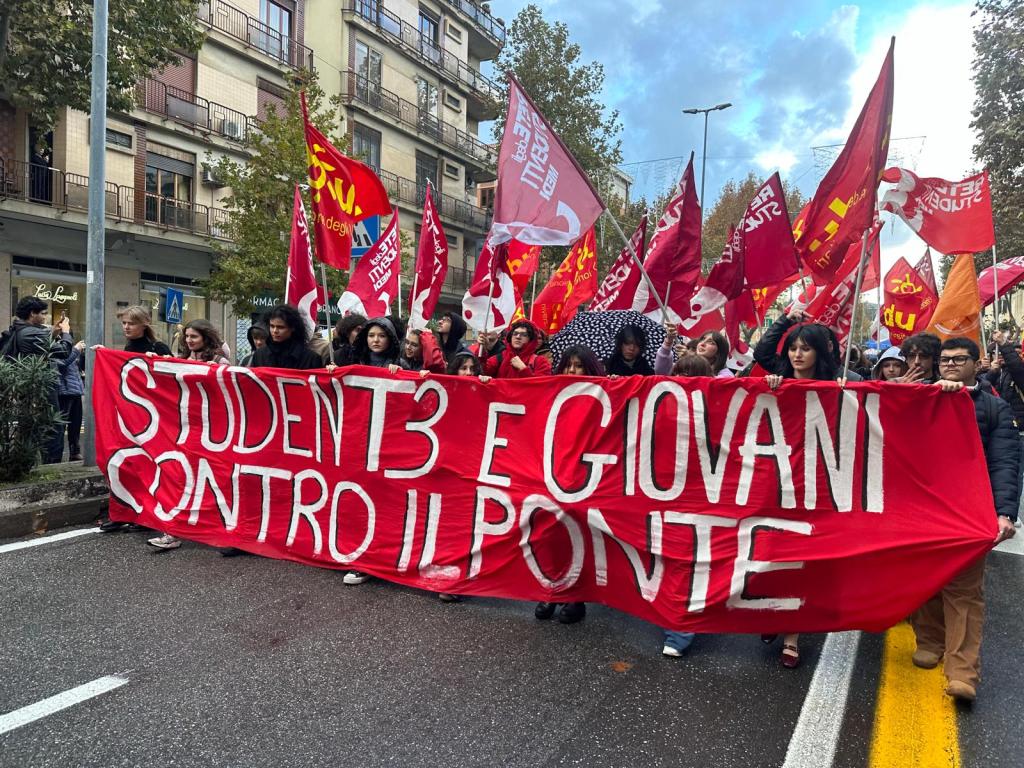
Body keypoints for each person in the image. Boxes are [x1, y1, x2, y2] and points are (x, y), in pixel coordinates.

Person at [909, 337, 1019, 702]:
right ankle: (929, 641)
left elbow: (1006, 461)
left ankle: (962, 672)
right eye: (944, 360)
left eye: (959, 359)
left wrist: (1004, 513)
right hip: (924, 509)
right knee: (924, 580)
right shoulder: (922, 397)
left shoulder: (994, 408)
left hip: (972, 512)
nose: (950, 365)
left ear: (977, 363)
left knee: (965, 591)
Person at [757, 321, 839, 668]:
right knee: (770, 552)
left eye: (805, 348)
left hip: (815, 485)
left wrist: (844, 393)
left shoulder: (836, 387)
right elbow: (763, 352)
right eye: (793, 348)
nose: (797, 354)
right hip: (773, 482)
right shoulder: (776, 379)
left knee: (802, 558)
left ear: (818, 353)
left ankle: (792, 635)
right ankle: (775, 614)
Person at [534, 344, 603, 626]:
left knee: (580, 536)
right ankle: (552, 590)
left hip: (585, 477)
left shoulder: (604, 394)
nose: (573, 371)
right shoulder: (551, 390)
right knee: (549, 533)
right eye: (569, 365)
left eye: (579, 366)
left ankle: (576, 597)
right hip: (553, 471)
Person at [2, 298, 74, 464]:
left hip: (32, 385)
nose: (46, 317)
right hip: (40, 386)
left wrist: (53, 334)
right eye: (42, 313)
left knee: (33, 425)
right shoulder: (31, 332)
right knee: (51, 426)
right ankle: (51, 464)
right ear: (32, 314)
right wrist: (66, 332)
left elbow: (41, 348)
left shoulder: (22, 329)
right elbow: (63, 351)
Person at [247, 304, 323, 370]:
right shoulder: (259, 355)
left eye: (280, 327)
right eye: (272, 326)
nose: (275, 331)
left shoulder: (310, 359)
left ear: (292, 328)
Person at [54, 332, 86, 462]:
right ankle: (56, 456)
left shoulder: (69, 348)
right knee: (60, 427)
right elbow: (61, 364)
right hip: (64, 392)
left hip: (75, 390)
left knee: (75, 424)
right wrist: (76, 350)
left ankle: (75, 451)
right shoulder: (55, 347)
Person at [483, 320, 552, 378]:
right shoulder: (500, 358)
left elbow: (542, 385)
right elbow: (480, 371)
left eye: (524, 335)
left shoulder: (540, 361)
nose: (518, 337)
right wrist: (482, 351)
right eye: (515, 334)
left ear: (531, 339)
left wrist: (523, 369)